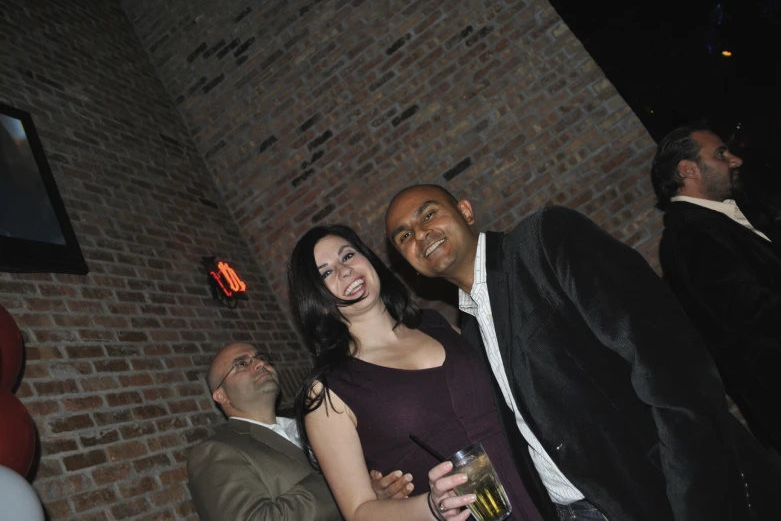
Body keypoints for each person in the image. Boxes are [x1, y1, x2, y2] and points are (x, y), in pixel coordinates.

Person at [385, 184, 781, 521]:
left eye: (428, 215)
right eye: (403, 236)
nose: (420, 235)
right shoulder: (468, 336)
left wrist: (699, 499)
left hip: (670, 494)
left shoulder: (544, 241)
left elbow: (672, 365)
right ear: (410, 266)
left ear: (466, 212)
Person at [289, 225, 545, 521]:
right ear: (315, 301)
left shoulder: (435, 323)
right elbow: (359, 511)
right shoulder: (327, 391)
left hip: (539, 487)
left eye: (348, 255)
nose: (345, 270)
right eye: (326, 273)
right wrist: (433, 506)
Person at [651, 122, 781, 453]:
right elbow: (750, 314)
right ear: (688, 169)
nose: (734, 160)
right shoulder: (690, 235)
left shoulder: (730, 214)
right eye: (721, 153)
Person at [187, 341, 413, 521]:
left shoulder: (315, 424)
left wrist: (374, 491)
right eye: (241, 364)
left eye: (261, 358)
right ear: (221, 396)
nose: (259, 364)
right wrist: (347, 483)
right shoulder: (215, 451)